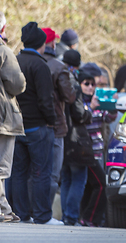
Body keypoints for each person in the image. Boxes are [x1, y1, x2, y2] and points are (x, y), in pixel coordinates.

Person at [12, 22, 62, 224]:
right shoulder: (40, 65)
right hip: (38, 128)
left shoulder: (14, 61)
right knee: (41, 173)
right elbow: (45, 99)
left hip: (16, 126)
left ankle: (20, 214)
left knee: (18, 173)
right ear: (41, 44)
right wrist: (52, 121)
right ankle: (42, 216)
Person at [41, 27, 76, 206]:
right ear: (52, 43)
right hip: (55, 124)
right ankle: (45, 212)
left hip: (33, 124)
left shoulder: (26, 62)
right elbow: (69, 96)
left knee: (34, 172)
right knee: (54, 172)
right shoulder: (57, 66)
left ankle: (31, 211)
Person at [60, 51, 94, 226]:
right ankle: (71, 216)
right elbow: (80, 114)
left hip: (61, 137)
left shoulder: (58, 79)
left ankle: (66, 215)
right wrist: (90, 111)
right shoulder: (74, 85)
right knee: (79, 178)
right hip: (75, 139)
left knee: (66, 178)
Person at [0, 12, 26, 223]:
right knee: (1, 166)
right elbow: (18, 84)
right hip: (3, 119)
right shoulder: (4, 52)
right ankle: (2, 209)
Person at [79, 69, 109, 227]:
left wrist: (112, 105)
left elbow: (108, 118)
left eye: (93, 84)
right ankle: (89, 218)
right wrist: (90, 106)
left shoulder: (97, 102)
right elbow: (81, 119)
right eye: (86, 84)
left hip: (97, 150)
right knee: (102, 184)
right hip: (85, 152)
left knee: (91, 186)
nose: (90, 87)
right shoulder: (79, 102)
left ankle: (87, 219)